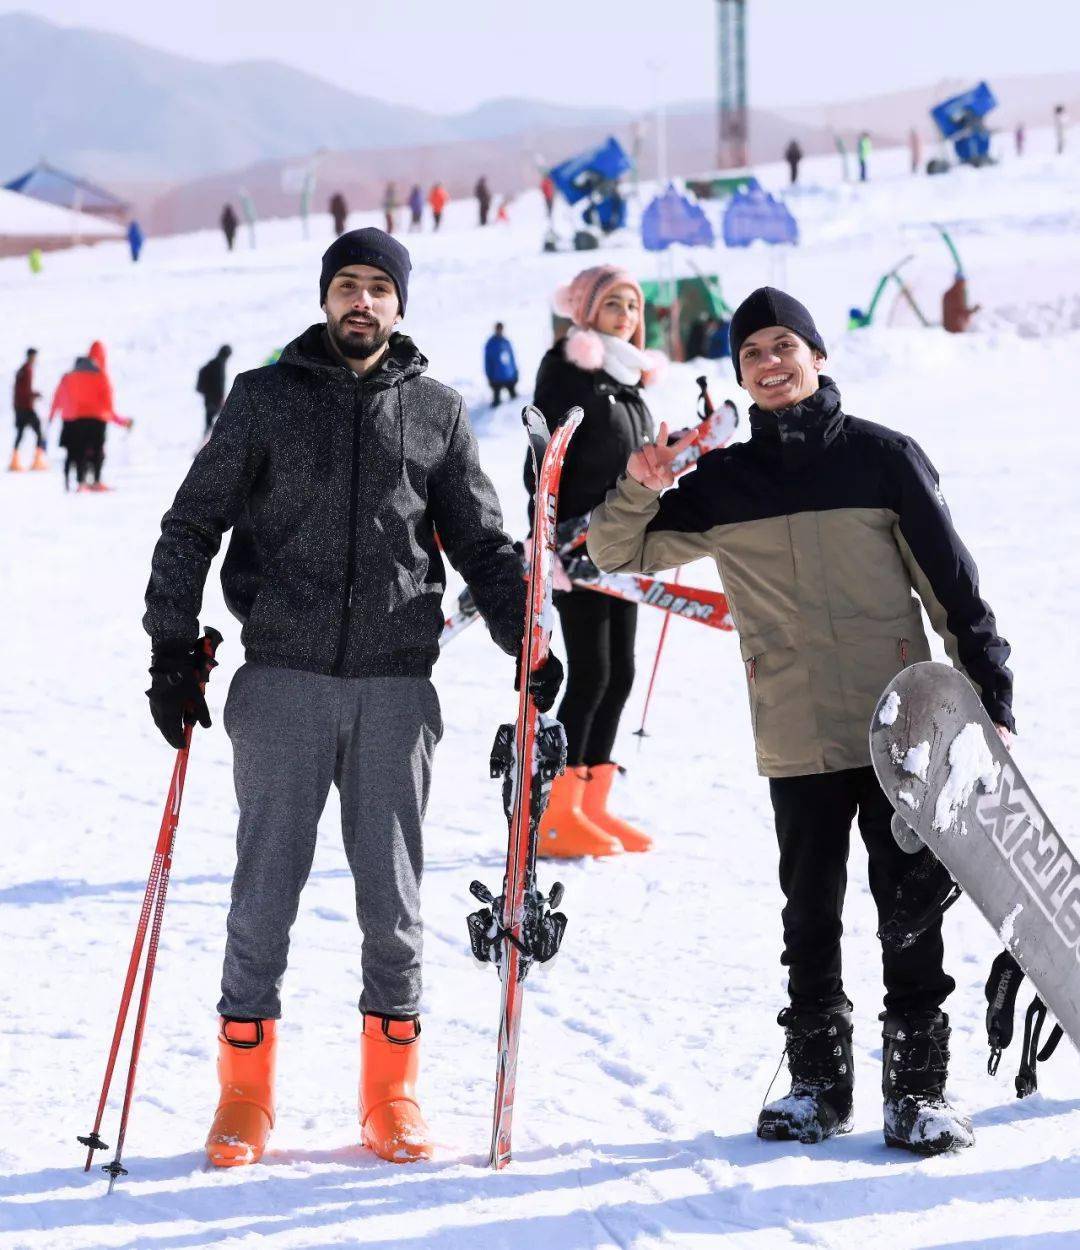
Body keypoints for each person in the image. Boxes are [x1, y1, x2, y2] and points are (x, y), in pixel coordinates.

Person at [142, 227, 562, 1169]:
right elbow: (192, 523)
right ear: (325, 297)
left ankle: (391, 1094)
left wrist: (526, 638)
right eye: (347, 286)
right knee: (263, 894)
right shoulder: (262, 398)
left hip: (395, 687)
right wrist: (171, 645)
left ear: (399, 304)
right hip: (281, 680)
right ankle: (244, 1094)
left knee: (393, 899)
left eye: (378, 287)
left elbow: (482, 543)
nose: (361, 301)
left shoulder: (437, 411)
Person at [587, 286, 1014, 1157]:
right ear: (740, 375)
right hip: (795, 731)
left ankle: (918, 1091)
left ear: (817, 355)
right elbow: (613, 552)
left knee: (910, 910)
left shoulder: (883, 459)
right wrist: (640, 485)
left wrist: (991, 702)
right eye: (752, 353)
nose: (770, 363)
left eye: (784, 345)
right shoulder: (725, 483)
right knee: (808, 916)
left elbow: (954, 590)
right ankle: (818, 1085)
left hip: (900, 732)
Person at [531, 265, 668, 860]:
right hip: (576, 544)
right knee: (591, 672)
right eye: (614, 304)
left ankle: (591, 801)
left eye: (633, 306)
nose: (626, 315)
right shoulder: (567, 369)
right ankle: (555, 812)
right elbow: (542, 459)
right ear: (586, 309)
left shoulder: (627, 379)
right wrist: (545, 537)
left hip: (622, 543)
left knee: (621, 673)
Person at [49, 342, 132, 491]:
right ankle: (96, 481)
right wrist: (121, 421)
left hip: (77, 417)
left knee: (80, 450)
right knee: (98, 450)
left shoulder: (71, 375)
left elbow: (60, 398)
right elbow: (108, 404)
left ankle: (81, 483)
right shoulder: (101, 375)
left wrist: (53, 416)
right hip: (98, 418)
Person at [10, 347, 46, 472]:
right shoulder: (27, 370)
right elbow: (25, 391)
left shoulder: (22, 370)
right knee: (38, 431)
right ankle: (37, 460)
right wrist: (34, 395)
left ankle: (14, 460)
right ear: (31, 356)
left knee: (20, 433)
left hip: (19, 407)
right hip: (26, 407)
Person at [196, 345, 233, 433]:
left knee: (210, 421)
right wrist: (221, 398)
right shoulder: (219, 365)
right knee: (224, 420)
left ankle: (207, 437)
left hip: (208, 398)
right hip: (215, 400)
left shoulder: (212, 363)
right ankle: (212, 437)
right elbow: (219, 383)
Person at [483, 322, 518, 405]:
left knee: (515, 400)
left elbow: (512, 359)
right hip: (496, 378)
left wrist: (515, 372)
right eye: (498, 328)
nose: (500, 330)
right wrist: (489, 376)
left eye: (501, 328)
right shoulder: (491, 343)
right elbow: (487, 361)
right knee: (497, 403)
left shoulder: (506, 342)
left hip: (509, 376)